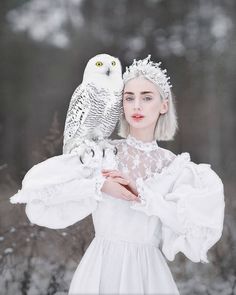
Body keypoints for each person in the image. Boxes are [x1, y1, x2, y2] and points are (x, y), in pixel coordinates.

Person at [10, 55, 225, 294]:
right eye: (129, 97)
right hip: (100, 271)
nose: (137, 106)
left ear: (164, 105)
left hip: (148, 276)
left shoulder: (176, 168)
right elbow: (38, 196)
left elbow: (196, 228)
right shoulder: (101, 154)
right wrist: (99, 185)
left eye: (147, 97)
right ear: (120, 104)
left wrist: (147, 198)